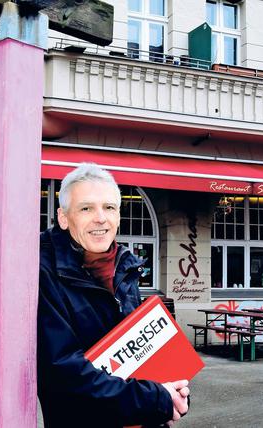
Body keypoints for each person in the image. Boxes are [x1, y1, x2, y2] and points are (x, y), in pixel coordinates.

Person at [38, 163, 190, 427]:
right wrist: (156, 400)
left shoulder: (124, 266)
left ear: (119, 216)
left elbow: (145, 352)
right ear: (63, 217)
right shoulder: (41, 271)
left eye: (109, 207)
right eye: (86, 208)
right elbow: (62, 373)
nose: (100, 218)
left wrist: (175, 390)